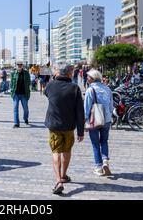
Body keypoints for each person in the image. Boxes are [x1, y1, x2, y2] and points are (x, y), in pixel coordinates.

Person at [44, 64, 85, 195]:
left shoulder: (50, 85)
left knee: (56, 151)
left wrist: (54, 78)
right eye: (72, 72)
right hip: (69, 126)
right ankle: (63, 175)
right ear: (69, 74)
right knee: (66, 151)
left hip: (54, 125)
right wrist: (80, 131)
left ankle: (58, 181)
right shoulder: (74, 88)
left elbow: (46, 94)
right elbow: (80, 111)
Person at [84, 69, 114, 177]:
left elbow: (86, 108)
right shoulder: (107, 88)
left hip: (95, 119)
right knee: (104, 141)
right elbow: (111, 106)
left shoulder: (90, 90)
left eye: (88, 77)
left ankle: (99, 168)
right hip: (107, 119)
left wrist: (84, 121)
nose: (87, 79)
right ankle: (105, 160)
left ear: (92, 78)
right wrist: (109, 115)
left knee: (95, 144)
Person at [10, 61, 31, 128]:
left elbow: (29, 82)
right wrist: (11, 92)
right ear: (16, 66)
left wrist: (28, 90)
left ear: (22, 66)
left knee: (25, 108)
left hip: (24, 94)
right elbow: (11, 83)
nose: (19, 66)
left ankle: (25, 118)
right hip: (15, 94)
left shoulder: (26, 73)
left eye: (20, 65)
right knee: (15, 108)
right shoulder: (13, 73)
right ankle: (16, 123)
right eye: (18, 65)